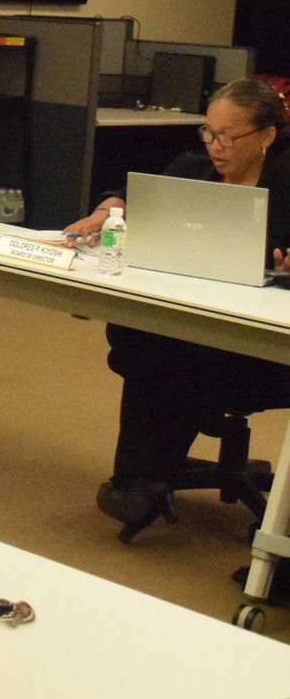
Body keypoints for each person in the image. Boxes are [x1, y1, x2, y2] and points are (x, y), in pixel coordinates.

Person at [63, 78, 290, 537]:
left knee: (162, 351)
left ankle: (140, 480)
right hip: (190, 323)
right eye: (208, 132)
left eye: (229, 135)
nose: (215, 146)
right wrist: (110, 206)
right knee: (152, 336)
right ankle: (144, 476)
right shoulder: (192, 169)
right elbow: (134, 198)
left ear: (267, 135)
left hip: (262, 342)